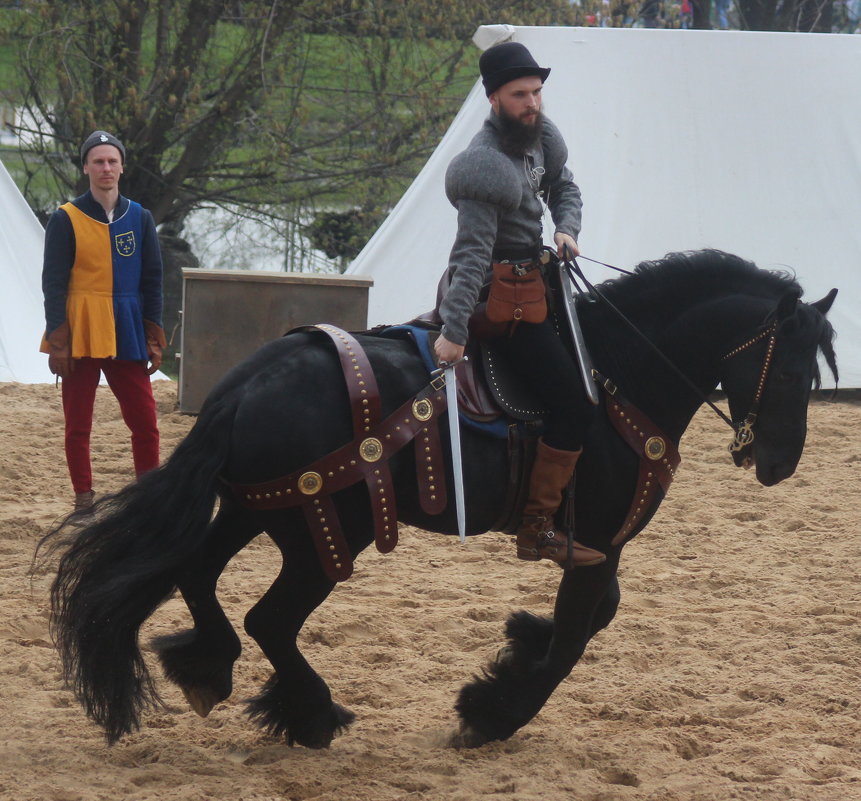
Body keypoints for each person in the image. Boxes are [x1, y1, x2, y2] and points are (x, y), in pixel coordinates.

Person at [432, 42, 605, 569]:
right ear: (493, 99)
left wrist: (566, 229)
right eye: (519, 94)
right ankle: (536, 530)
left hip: (542, 283)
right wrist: (454, 331)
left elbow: (564, 188)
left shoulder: (542, 137)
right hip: (499, 300)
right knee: (574, 403)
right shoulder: (483, 166)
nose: (532, 103)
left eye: (536, 92)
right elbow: (471, 256)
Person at [40, 130, 167, 513]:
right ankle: (83, 500)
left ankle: (148, 499)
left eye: (112, 161)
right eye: (98, 161)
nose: (106, 168)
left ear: (122, 167)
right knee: (78, 424)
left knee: (145, 423)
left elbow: (153, 280)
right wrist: (58, 341)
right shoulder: (66, 218)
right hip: (80, 328)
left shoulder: (140, 217)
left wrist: (153, 335)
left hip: (127, 330)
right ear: (86, 168)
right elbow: (53, 283)